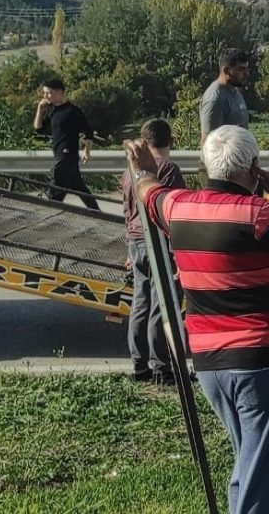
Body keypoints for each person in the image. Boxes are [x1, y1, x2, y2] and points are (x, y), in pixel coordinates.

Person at [124, 125, 269, 514]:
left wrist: (143, 170)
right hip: (265, 363)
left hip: (212, 365)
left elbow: (149, 194)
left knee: (250, 463)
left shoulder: (180, 208)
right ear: (254, 167)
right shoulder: (260, 215)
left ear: (207, 165)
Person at [120, 119, 186, 385]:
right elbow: (172, 214)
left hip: (135, 241)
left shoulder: (129, 172)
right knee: (163, 305)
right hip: (159, 242)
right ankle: (161, 366)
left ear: (144, 142)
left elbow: (127, 210)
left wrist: (128, 246)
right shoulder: (168, 170)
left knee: (140, 303)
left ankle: (139, 365)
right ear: (171, 141)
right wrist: (179, 254)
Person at [33, 78, 100, 210]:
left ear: (59, 92)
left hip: (66, 156)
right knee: (81, 190)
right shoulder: (51, 110)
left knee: (55, 192)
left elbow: (88, 132)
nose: (46, 96)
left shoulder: (73, 111)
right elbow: (38, 129)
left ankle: (48, 215)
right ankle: (98, 213)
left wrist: (87, 151)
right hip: (62, 155)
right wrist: (40, 110)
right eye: (45, 93)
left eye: (49, 93)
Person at [200, 49, 251, 145]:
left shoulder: (235, 90)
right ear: (226, 70)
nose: (246, 74)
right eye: (241, 69)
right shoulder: (215, 99)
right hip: (225, 159)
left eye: (247, 69)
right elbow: (208, 143)